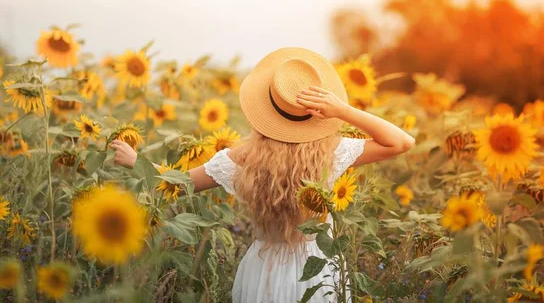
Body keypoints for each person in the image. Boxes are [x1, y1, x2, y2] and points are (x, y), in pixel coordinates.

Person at [110, 47, 415, 303]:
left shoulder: (242, 158)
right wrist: (342, 111)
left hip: (263, 272)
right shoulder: (332, 153)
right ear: (315, 115)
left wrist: (137, 161)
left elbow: (177, 184)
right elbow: (402, 142)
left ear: (264, 109)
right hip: (319, 273)